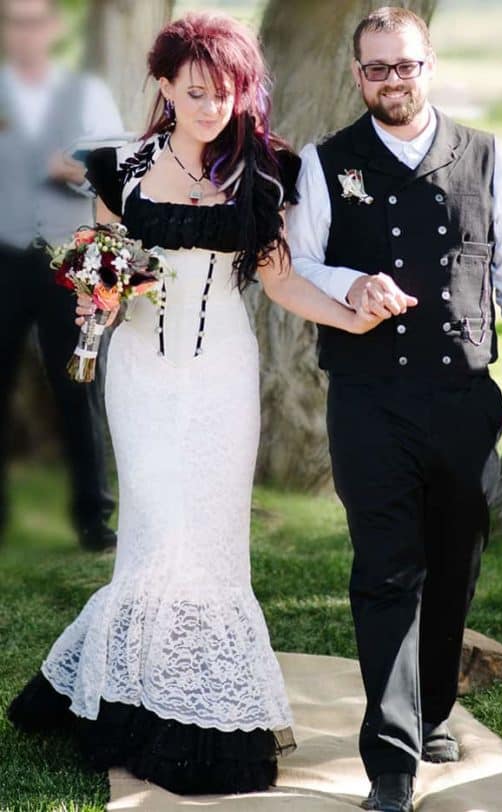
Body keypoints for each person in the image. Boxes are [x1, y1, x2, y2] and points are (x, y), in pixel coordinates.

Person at [6, 11, 380, 796]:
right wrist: (95, 303)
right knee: (154, 535)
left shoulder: (267, 170)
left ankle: (199, 711)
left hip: (221, 379)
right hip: (141, 374)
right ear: (168, 88)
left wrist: (351, 314)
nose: (215, 107)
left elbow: (278, 281)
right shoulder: (120, 168)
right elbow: (106, 266)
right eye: (199, 92)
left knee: (206, 541)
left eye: (230, 93)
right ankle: (133, 702)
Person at [287, 7, 502, 811]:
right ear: (357, 74)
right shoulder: (326, 162)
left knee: (454, 565)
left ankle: (435, 706)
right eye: (376, 69)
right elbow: (301, 263)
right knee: (384, 573)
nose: (391, 81)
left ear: (428, 64)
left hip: (464, 400)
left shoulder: (487, 157)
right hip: (368, 402)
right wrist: (350, 285)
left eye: (404, 66)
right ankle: (392, 763)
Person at [0, 0, 124, 551]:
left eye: (33, 21)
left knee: (79, 384)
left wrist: (73, 172)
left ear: (51, 27)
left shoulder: (88, 96)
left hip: (66, 262)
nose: (24, 32)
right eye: (12, 21)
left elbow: (118, 177)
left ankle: (93, 519)